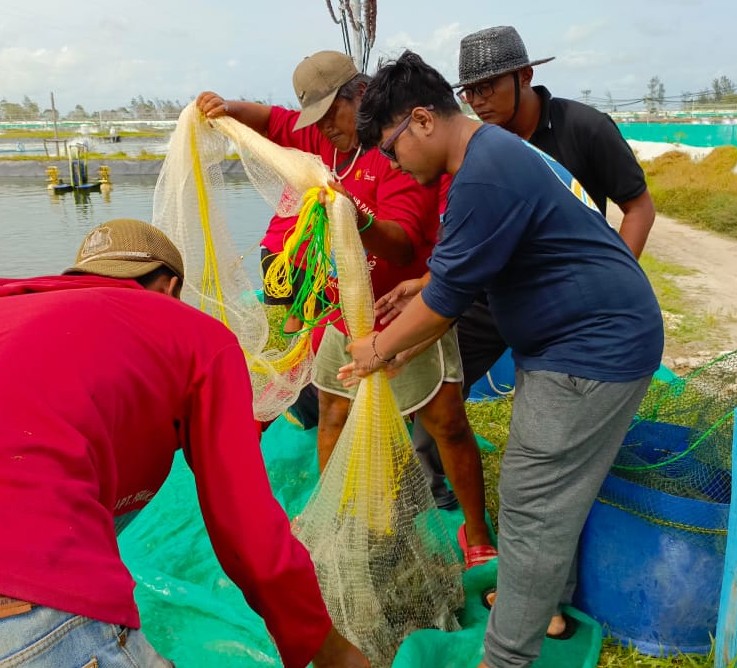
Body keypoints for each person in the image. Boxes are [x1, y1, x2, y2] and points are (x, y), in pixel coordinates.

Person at [347, 51, 664, 668]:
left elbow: (443, 306)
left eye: (391, 148)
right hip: (586, 336)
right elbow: (472, 265)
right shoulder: (491, 151)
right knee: (551, 495)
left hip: (591, 351)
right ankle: (543, 601)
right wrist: (428, 285)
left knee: (529, 501)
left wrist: (375, 349)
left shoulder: (483, 171)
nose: (392, 164)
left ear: (421, 120)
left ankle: (506, 655)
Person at [0, 219, 368, 668]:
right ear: (171, 287)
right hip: (29, 594)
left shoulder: (15, 306)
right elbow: (247, 529)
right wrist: (328, 649)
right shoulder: (192, 334)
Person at [197, 50, 496, 566]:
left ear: (358, 97)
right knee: (333, 410)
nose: (323, 132)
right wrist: (223, 107)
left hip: (404, 313)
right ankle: (333, 514)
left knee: (445, 421)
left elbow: (403, 245)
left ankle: (476, 531)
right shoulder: (321, 138)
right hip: (341, 309)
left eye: (330, 116)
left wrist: (354, 219)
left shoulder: (398, 150)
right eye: (314, 120)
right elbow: (269, 120)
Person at [411, 24, 657, 515]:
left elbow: (639, 207)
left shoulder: (584, 128)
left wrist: (608, 284)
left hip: (563, 302)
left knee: (556, 429)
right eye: (469, 91)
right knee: (433, 384)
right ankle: (436, 486)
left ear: (525, 76)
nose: (478, 101)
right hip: (488, 297)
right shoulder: (475, 145)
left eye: (489, 87)